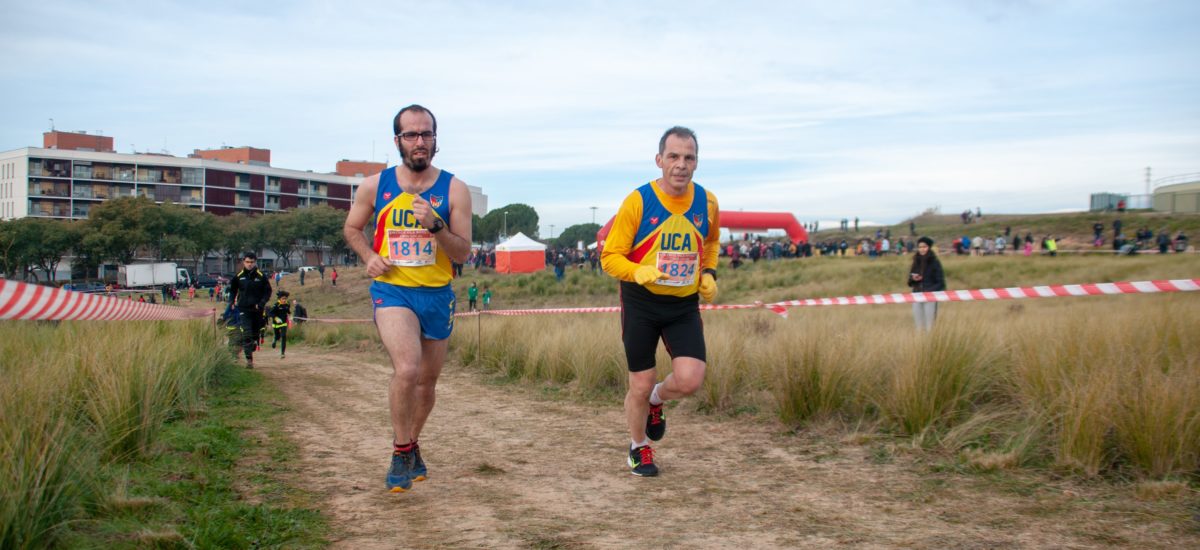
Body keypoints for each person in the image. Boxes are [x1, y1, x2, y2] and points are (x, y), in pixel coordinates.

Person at [342, 104, 473, 494]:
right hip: (393, 290)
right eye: (412, 134)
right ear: (398, 140)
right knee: (407, 369)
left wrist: (436, 225)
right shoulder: (375, 186)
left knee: (427, 383)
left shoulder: (454, 189)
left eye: (426, 134)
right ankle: (400, 451)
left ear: (435, 139)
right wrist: (369, 257)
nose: (420, 141)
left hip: (437, 294)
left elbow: (463, 252)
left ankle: (412, 441)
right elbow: (352, 228)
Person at [600, 126, 720, 477]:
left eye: (689, 158)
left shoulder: (708, 202)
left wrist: (709, 273)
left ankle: (657, 399)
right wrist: (638, 271)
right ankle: (638, 447)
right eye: (673, 156)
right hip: (641, 302)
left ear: (696, 162)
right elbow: (610, 257)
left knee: (690, 380)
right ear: (659, 160)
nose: (681, 164)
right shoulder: (638, 201)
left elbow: (711, 242)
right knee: (639, 382)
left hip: (683, 304)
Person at [228, 252, 272, 368]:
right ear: (244, 262)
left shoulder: (261, 276)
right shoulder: (239, 276)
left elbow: (268, 292)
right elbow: (233, 290)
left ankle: (253, 343)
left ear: (255, 262)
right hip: (244, 309)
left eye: (252, 262)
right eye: (247, 262)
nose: (249, 264)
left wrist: (261, 303)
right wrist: (231, 302)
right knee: (246, 333)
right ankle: (249, 360)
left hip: (257, 310)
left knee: (255, 334)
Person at [907, 236, 945, 331]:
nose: (922, 249)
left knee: (930, 325)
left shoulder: (935, 262)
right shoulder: (916, 261)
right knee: (919, 326)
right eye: (920, 247)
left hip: (930, 296)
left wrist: (929, 291)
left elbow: (941, 283)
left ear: (929, 247)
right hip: (916, 295)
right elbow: (909, 282)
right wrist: (913, 279)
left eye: (924, 247)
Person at [269, 290, 291, 359]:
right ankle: (275, 340)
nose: (284, 300)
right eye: (283, 299)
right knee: (277, 336)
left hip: (284, 323)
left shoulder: (287, 304)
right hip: (276, 324)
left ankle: (282, 353)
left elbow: (288, 311)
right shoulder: (276, 305)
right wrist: (276, 318)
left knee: (283, 336)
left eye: (285, 299)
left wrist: (290, 315)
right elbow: (270, 313)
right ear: (279, 299)